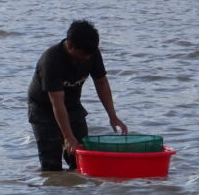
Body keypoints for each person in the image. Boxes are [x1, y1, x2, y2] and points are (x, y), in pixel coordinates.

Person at [27, 19, 127, 171]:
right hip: (44, 109)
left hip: (72, 105)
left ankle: (76, 185)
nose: (86, 58)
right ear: (70, 45)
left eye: (89, 55)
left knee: (81, 161)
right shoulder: (52, 60)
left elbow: (101, 83)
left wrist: (112, 116)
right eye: (82, 54)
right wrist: (68, 137)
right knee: (52, 166)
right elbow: (57, 102)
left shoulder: (91, 52)